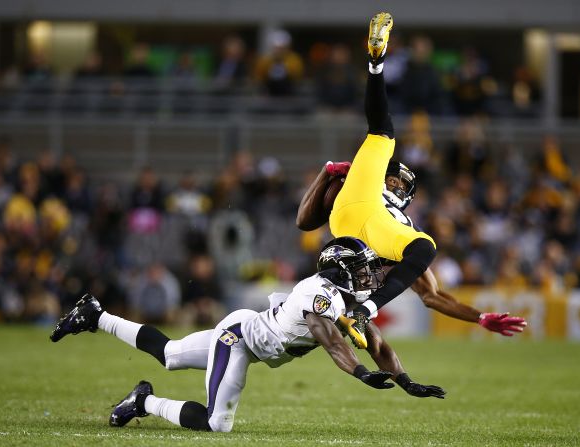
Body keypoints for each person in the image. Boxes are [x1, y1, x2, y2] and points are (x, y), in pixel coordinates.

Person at [50, 236, 444, 432]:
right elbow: (331, 340)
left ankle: (96, 315)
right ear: (340, 270)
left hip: (248, 334)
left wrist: (405, 381)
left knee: (169, 354)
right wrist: (359, 374)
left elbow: (377, 342)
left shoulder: (343, 296)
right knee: (215, 423)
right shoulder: (319, 294)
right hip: (237, 339)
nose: (368, 274)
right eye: (361, 268)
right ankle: (144, 401)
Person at [296, 12, 526, 348]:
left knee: (382, 133)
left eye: (401, 185)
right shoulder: (396, 215)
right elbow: (305, 221)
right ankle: (376, 63)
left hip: (352, 222)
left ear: (408, 196)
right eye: (394, 181)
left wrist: (478, 317)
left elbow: (432, 296)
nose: (395, 185)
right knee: (424, 242)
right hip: (366, 210)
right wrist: (327, 175)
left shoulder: (397, 224)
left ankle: (376, 64)